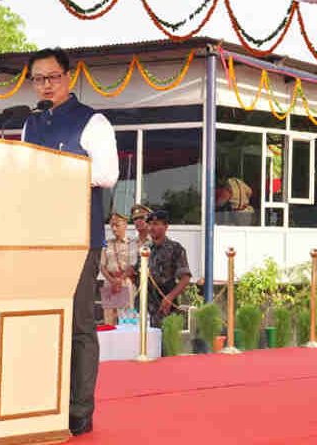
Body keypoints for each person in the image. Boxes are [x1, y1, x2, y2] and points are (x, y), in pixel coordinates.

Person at [22, 47, 119, 436]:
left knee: (79, 323)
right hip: (36, 235)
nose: (45, 85)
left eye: (52, 77)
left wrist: (59, 171)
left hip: (79, 235)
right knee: (44, 322)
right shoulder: (29, 124)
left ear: (68, 77)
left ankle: (79, 409)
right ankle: (45, 403)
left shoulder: (93, 121)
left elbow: (108, 174)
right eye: (38, 79)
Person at [135, 210, 192, 328]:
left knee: (166, 343)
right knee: (144, 343)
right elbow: (137, 275)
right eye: (149, 224)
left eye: (156, 224)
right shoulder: (145, 249)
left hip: (165, 305)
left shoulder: (175, 248)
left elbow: (185, 278)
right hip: (146, 305)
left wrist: (170, 297)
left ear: (166, 226)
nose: (151, 228)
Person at [99, 212, 135, 325]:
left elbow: (132, 265)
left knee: (126, 317)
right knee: (108, 318)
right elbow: (102, 265)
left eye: (117, 225)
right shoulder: (106, 243)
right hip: (109, 282)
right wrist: (112, 280)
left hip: (125, 282)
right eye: (112, 225)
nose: (114, 229)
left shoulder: (132, 243)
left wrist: (120, 280)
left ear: (125, 225)